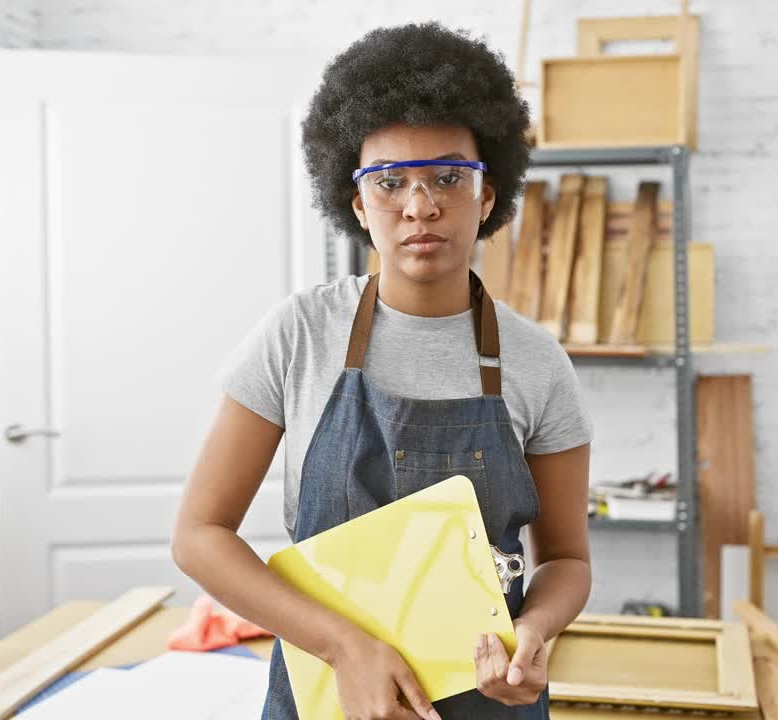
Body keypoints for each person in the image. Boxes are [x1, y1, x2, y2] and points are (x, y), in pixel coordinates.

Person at [172, 21, 593, 720]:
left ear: (488, 197)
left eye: (448, 178)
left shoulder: (537, 363)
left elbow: (567, 562)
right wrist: (342, 648)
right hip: (327, 694)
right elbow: (198, 535)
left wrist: (535, 631)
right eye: (390, 181)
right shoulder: (296, 337)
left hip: (489, 699)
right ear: (358, 204)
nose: (420, 206)